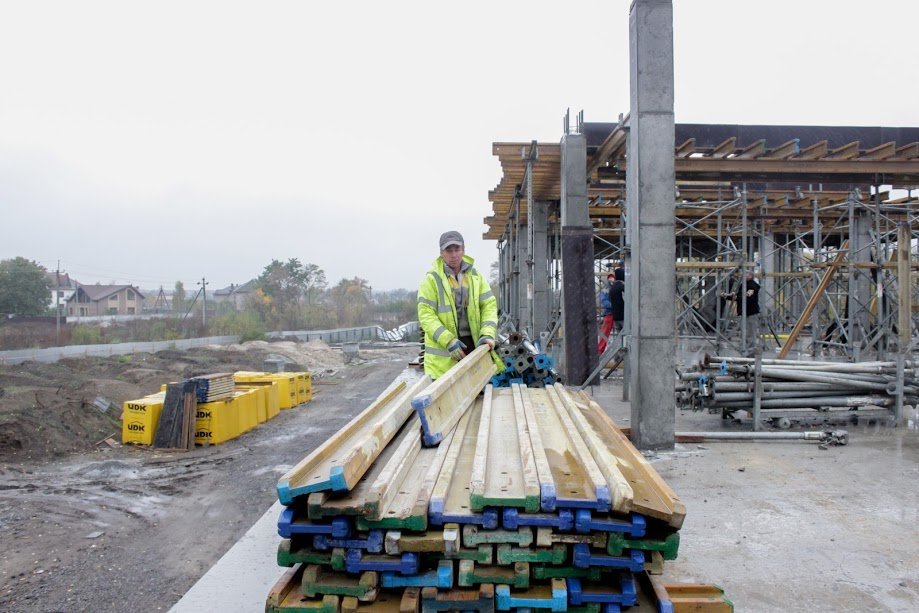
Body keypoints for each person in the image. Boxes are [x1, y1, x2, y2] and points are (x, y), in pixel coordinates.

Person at [417, 231, 502, 379]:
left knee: (477, 391)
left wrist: (487, 334)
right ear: (441, 253)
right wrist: (448, 341)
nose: (454, 255)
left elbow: (488, 306)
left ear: (464, 250)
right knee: (446, 393)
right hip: (443, 359)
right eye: (449, 251)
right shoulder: (431, 279)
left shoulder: (475, 276)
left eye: (457, 249)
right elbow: (426, 315)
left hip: (473, 346)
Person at [724, 271, 761, 354]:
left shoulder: (752, 286)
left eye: (746, 274)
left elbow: (747, 298)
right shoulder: (744, 285)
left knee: (750, 332)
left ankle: (751, 349)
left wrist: (736, 296)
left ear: (750, 276)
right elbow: (740, 297)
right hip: (744, 312)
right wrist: (731, 296)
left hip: (750, 313)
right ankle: (744, 347)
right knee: (744, 331)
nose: (743, 276)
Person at [598, 273, 615, 354]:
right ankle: (599, 351)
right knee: (604, 334)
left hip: (617, 313)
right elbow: (604, 301)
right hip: (610, 313)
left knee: (622, 333)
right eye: (610, 278)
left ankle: (619, 352)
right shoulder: (605, 290)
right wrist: (614, 306)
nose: (612, 280)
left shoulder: (618, 287)